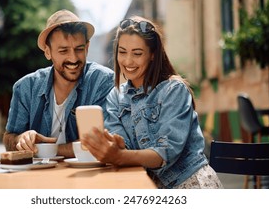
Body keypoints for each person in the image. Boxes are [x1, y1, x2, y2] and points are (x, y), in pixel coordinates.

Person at [81, 16, 223, 189]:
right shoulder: (115, 96)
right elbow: (123, 148)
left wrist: (119, 155)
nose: (128, 61)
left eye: (137, 53)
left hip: (190, 183)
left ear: (153, 55)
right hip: (148, 186)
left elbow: (166, 152)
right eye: (122, 51)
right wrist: (114, 144)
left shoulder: (173, 90)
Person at [3, 9, 114, 158]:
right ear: (48, 52)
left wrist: (44, 150)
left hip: (88, 175)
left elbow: (103, 142)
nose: (73, 58)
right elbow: (9, 137)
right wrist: (20, 139)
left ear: (87, 48)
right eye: (63, 51)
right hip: (38, 178)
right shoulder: (25, 87)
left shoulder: (103, 81)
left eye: (79, 49)